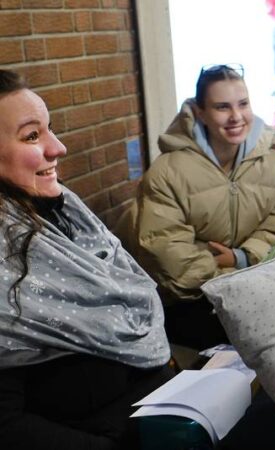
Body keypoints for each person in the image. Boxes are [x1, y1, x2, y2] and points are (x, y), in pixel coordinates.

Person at [0, 70, 173, 449]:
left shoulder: (62, 209)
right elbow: (7, 426)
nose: (58, 147)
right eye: (32, 135)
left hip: (160, 412)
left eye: (50, 129)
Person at [133, 64, 275, 350]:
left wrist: (242, 257)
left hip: (258, 280)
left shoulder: (273, 162)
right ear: (200, 112)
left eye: (243, 104)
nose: (236, 117)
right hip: (195, 300)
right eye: (222, 107)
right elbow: (167, 254)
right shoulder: (167, 172)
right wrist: (228, 274)